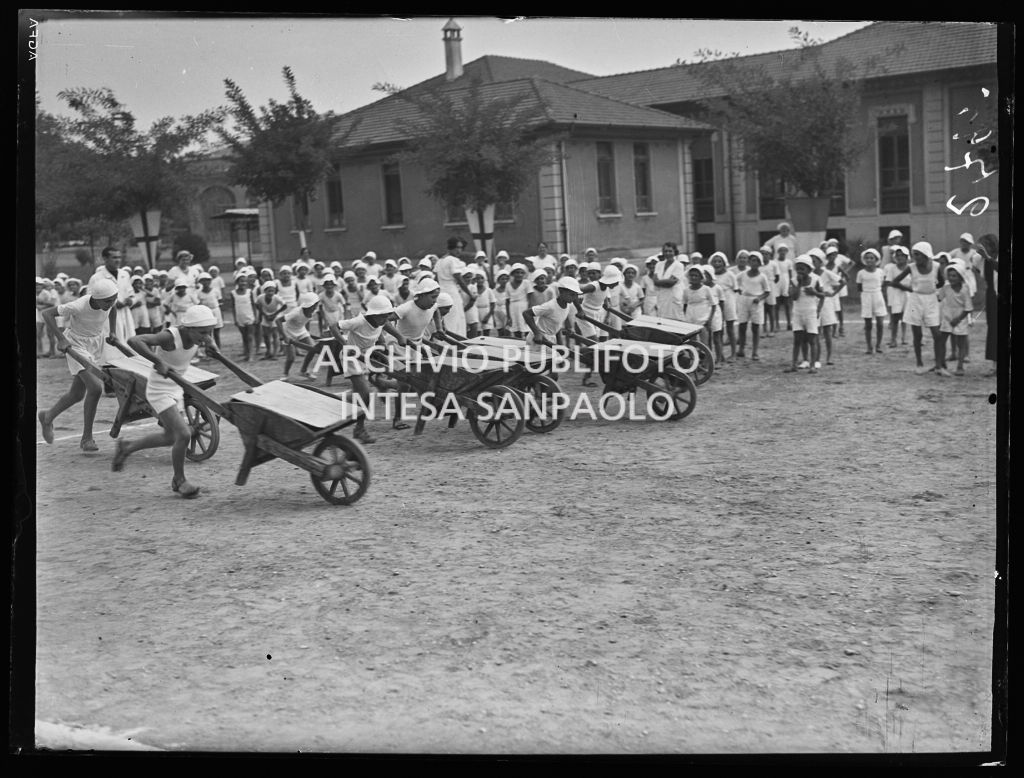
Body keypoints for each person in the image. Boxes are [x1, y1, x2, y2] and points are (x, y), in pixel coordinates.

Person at [111, 305, 218, 498]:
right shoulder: (170, 337)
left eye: (208, 332)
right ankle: (179, 480)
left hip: (176, 388)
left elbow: (206, 335)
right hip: (159, 390)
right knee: (184, 435)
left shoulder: (198, 333)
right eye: (203, 333)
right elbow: (134, 340)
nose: (206, 336)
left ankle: (127, 447)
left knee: (170, 437)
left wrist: (211, 343)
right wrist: (157, 361)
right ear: (189, 328)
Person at [38, 277, 120, 452]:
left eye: (113, 299)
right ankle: (87, 438)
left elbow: (114, 309)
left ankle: (47, 416)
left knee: (76, 394)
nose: (111, 303)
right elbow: (47, 314)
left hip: (95, 345)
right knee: (96, 388)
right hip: (75, 343)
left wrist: (112, 331)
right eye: (107, 301)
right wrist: (61, 339)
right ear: (95, 297)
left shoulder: (109, 300)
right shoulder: (79, 305)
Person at [334, 293, 397, 443]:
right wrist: (346, 345)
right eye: (382, 316)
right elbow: (334, 326)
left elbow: (378, 331)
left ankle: (333, 399)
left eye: (387, 316)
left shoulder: (380, 322)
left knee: (359, 393)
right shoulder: (358, 321)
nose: (385, 320)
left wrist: (382, 346)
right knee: (365, 394)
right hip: (351, 358)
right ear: (373, 314)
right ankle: (359, 430)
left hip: (364, 358)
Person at [888, 241, 945, 375]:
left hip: (931, 300)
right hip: (915, 301)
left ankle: (938, 366)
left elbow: (941, 282)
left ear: (926, 255)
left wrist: (932, 289)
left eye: (917, 255)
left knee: (937, 334)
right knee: (917, 334)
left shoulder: (936, 267)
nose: (915, 258)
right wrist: (909, 289)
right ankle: (919, 363)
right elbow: (895, 282)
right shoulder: (911, 267)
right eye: (913, 255)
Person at [277, 291, 332, 381]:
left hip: (301, 331)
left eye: (315, 305)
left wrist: (324, 324)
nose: (314, 307)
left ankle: (303, 370)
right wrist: (284, 336)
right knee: (291, 358)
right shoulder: (296, 312)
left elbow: (316, 315)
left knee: (313, 349)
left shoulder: (314, 310)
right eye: (312, 305)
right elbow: (278, 321)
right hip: (288, 332)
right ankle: (285, 374)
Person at [89, 246, 136, 344]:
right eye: (114, 258)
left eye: (119, 257)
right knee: (112, 347)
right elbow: (90, 300)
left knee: (130, 343)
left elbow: (131, 294)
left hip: (126, 314)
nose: (118, 260)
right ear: (105, 259)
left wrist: (130, 300)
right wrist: (111, 303)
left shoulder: (125, 275)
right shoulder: (97, 278)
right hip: (107, 318)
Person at [784, 256, 824, 374]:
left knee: (812, 339)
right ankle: (794, 364)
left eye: (803, 269)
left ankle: (812, 365)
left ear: (809, 270)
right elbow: (794, 297)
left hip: (811, 312)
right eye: (798, 269)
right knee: (797, 339)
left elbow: (822, 295)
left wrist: (818, 307)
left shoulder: (816, 279)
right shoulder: (794, 280)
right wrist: (799, 284)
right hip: (798, 312)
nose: (800, 271)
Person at [523, 276, 582, 347]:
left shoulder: (567, 306)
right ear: (561, 291)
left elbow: (557, 326)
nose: (574, 298)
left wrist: (561, 345)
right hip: (538, 340)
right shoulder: (550, 306)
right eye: (572, 294)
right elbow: (526, 313)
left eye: (576, 295)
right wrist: (537, 333)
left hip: (550, 339)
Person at [937, 261, 973, 376]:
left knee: (961, 343)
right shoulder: (946, 287)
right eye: (949, 275)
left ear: (961, 277)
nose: (951, 278)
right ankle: (942, 364)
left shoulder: (965, 289)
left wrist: (958, 319)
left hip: (960, 317)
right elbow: (939, 298)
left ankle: (960, 366)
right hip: (947, 316)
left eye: (954, 276)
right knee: (942, 340)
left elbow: (968, 308)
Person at [734, 252, 770, 361]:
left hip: (756, 302)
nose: (754, 263)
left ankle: (755, 351)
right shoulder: (742, 274)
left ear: (760, 263)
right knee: (742, 325)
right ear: (749, 262)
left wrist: (759, 298)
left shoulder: (762, 277)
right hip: (744, 300)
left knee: (755, 327)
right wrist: (739, 290)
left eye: (756, 261)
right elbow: (735, 283)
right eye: (752, 260)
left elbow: (767, 291)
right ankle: (741, 349)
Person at [434, 237, 471, 337]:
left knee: (447, 318)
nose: (459, 250)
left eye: (461, 248)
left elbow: (436, 279)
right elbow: (459, 279)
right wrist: (470, 294)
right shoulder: (452, 260)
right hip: (452, 293)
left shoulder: (440, 261)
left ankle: (448, 342)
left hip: (442, 294)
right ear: (451, 247)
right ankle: (456, 343)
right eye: (457, 247)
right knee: (456, 318)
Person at [974, 234, 999, 376]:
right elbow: (977, 271)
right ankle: (995, 365)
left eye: (984, 245)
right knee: (994, 330)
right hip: (991, 296)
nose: (981, 248)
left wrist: (988, 258)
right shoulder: (979, 260)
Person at [856, 249, 887, 354]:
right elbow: (859, 287)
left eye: (871, 258)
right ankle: (869, 346)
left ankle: (878, 345)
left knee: (880, 323)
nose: (869, 260)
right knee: (868, 324)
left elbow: (882, 285)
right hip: (866, 297)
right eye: (867, 258)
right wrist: (866, 295)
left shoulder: (880, 272)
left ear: (876, 259)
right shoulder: (861, 273)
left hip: (878, 296)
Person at [710, 252, 737, 362]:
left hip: (728, 301)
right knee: (718, 329)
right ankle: (720, 355)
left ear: (724, 262)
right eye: (715, 261)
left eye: (719, 261)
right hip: (716, 302)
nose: (717, 264)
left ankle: (734, 353)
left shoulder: (730, 274)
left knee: (730, 329)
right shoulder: (711, 275)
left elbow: (735, 289)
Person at [650, 242, 688, 320]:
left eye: (670, 251)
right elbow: (655, 281)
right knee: (662, 321)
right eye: (665, 251)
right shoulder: (658, 265)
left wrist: (659, 282)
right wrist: (664, 281)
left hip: (674, 297)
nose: (668, 253)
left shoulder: (679, 265)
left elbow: (670, 283)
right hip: (662, 297)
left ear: (674, 252)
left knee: (675, 321)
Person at [883, 245, 910, 347]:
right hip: (896, 295)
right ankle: (893, 339)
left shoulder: (910, 268)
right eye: (897, 255)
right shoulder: (892, 268)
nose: (899, 257)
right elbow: (889, 282)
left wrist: (906, 288)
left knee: (905, 318)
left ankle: (904, 338)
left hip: (907, 296)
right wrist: (901, 286)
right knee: (895, 318)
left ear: (907, 257)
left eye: (902, 255)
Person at [681, 266, 715, 345]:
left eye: (696, 276)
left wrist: (709, 319)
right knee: (693, 342)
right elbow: (685, 305)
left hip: (703, 320)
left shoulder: (706, 289)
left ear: (701, 277)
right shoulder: (686, 290)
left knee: (704, 343)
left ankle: (706, 357)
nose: (693, 277)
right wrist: (686, 318)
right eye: (691, 275)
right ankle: (694, 356)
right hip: (690, 319)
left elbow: (713, 305)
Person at [255, 281, 286, 360]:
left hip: (275, 316)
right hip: (266, 316)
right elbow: (257, 305)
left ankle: (275, 353)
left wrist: (275, 314)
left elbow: (285, 305)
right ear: (265, 291)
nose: (271, 293)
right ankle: (268, 352)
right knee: (266, 336)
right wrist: (264, 314)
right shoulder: (260, 297)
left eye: (272, 291)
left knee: (275, 335)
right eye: (269, 291)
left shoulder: (276, 298)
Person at [231, 272, 257, 361]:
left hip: (249, 316)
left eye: (245, 281)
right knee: (244, 337)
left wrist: (255, 316)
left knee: (250, 336)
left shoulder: (250, 292)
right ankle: (246, 353)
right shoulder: (233, 293)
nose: (243, 283)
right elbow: (233, 307)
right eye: (241, 281)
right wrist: (235, 319)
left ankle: (251, 355)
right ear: (237, 282)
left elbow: (253, 305)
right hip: (240, 317)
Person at [195, 272, 224, 351]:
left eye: (207, 280)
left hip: (216, 311)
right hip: (206, 314)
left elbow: (220, 302)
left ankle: (218, 350)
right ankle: (210, 350)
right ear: (200, 282)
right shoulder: (198, 293)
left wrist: (221, 314)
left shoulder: (216, 291)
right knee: (207, 334)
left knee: (216, 332)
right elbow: (198, 305)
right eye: (203, 280)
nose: (205, 282)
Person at [505, 263, 530, 338]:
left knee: (527, 329)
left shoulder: (526, 283)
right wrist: (509, 316)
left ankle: (528, 346)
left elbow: (530, 299)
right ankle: (519, 346)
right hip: (513, 308)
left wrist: (529, 313)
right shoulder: (508, 284)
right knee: (516, 329)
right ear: (513, 274)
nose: (519, 274)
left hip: (524, 308)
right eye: (517, 272)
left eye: (522, 273)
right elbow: (507, 301)